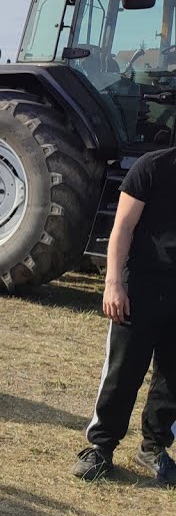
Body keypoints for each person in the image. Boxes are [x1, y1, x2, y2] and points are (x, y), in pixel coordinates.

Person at [73, 145, 176, 486]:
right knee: (123, 370)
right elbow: (122, 228)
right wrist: (113, 284)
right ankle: (100, 448)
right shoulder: (152, 166)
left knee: (172, 378)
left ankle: (154, 447)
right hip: (140, 288)